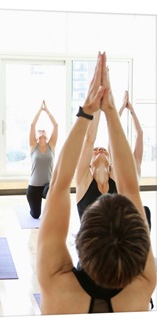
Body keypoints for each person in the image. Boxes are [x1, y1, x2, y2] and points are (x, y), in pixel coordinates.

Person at [37, 52, 156, 314]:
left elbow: (57, 184)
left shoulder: (56, 287)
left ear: (78, 238)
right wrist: (111, 111)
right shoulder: (142, 290)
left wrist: (90, 110)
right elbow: (131, 188)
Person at [76, 90, 151, 229]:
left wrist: (120, 110)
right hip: (93, 247)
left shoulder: (116, 179)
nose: (100, 149)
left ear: (111, 162)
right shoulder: (82, 180)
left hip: (115, 243)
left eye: (103, 149)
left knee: (144, 211)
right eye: (96, 150)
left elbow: (116, 141)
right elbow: (89, 140)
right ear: (89, 165)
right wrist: (98, 104)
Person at [27, 100, 58, 219]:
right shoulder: (33, 147)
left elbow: (55, 126)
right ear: (36, 137)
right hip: (33, 187)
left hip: (47, 185)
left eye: (43, 130)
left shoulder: (52, 146)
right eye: (39, 131)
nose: (41, 131)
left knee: (52, 188)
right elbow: (32, 125)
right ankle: (33, 209)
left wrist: (47, 111)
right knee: (36, 215)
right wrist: (40, 110)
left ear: (47, 135)